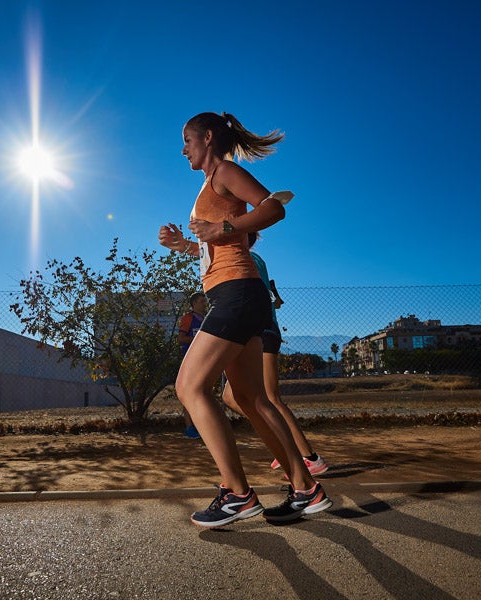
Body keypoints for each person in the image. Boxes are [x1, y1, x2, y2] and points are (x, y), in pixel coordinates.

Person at [158, 111, 332, 527]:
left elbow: (272, 208)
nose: (183, 149)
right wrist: (184, 244)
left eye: (187, 140)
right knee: (247, 398)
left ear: (208, 137)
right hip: (236, 292)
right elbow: (216, 247)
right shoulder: (209, 186)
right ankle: (306, 489)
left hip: (237, 294)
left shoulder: (225, 171)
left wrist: (225, 225)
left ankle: (238, 493)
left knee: (189, 386)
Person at [222, 233, 329, 476]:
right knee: (231, 396)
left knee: (271, 398)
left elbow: (261, 297)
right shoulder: (254, 259)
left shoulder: (245, 258)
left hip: (261, 330)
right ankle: (284, 445)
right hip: (258, 330)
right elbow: (276, 300)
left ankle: (310, 458)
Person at [178, 292, 208, 438]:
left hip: (204, 361)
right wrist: (198, 339)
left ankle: (201, 426)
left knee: (202, 393)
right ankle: (189, 427)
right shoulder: (188, 318)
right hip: (190, 360)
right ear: (194, 303)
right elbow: (181, 339)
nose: (205, 304)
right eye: (202, 301)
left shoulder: (206, 319)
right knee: (189, 393)